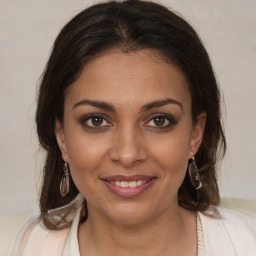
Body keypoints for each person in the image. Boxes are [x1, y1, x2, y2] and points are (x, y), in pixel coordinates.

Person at [11, 0, 256, 255]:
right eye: (96, 120)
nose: (128, 154)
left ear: (195, 134)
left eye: (158, 120)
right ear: (61, 136)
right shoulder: (17, 246)